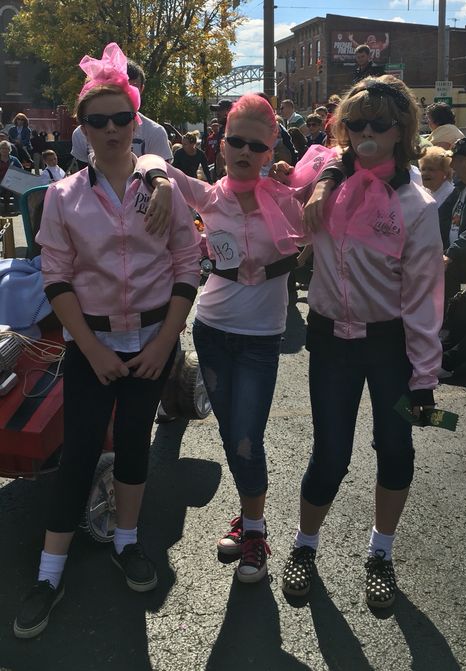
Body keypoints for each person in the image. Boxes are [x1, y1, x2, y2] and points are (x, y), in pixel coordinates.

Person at [13, 42, 201, 639]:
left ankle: (127, 542)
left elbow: (186, 263)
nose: (114, 129)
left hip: (151, 341)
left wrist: (163, 345)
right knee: (78, 454)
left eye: (124, 117)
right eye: (99, 119)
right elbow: (56, 275)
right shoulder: (64, 197)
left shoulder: (161, 183)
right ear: (83, 128)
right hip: (91, 347)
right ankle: (48, 573)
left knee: (137, 450)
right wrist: (91, 350)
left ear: (137, 119)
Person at [281, 76, 444, 609]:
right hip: (331, 341)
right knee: (330, 451)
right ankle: (305, 546)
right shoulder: (323, 183)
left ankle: (381, 552)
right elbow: (279, 189)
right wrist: (327, 173)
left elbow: (423, 297)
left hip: (389, 347)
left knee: (395, 446)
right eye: (356, 123)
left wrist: (424, 378)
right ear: (343, 128)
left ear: (402, 131)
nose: (367, 133)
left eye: (380, 124)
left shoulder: (417, 205)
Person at [142, 93, 314, 584]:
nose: (243, 151)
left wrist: (276, 264)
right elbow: (152, 159)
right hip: (212, 332)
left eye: (254, 145)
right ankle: (249, 521)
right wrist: (157, 179)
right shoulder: (208, 196)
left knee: (245, 437)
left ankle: (255, 532)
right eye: (235, 141)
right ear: (221, 144)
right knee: (228, 433)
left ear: (269, 149)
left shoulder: (285, 198)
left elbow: (320, 228)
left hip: (261, 339)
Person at [70, 58, 173, 168]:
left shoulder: (155, 132)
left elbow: (164, 172)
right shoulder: (80, 134)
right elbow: (82, 175)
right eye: (98, 122)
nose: (111, 128)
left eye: (132, 87)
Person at [441, 137, 466, 312]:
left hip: (464, 263)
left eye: (455, 161)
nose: (452, 166)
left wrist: (451, 253)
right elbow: (440, 217)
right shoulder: (461, 188)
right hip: (454, 260)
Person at [0, 139, 23, 214]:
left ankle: (17, 209)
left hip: (11, 181)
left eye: (6, 148)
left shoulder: (14, 159)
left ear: (9, 149)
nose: (4, 150)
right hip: (0, 181)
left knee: (18, 191)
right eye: (3, 148)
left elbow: (21, 169)